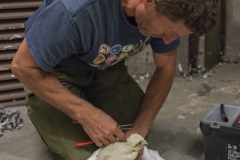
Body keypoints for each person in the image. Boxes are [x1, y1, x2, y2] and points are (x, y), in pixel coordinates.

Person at [11, 0, 219, 159]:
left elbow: (165, 66)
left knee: (129, 143)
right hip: (54, 73)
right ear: (149, 2)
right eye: (168, 32)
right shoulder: (75, 10)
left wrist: (142, 126)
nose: (168, 40)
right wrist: (86, 114)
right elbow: (23, 66)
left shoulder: (167, 11)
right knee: (94, 153)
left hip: (106, 67)